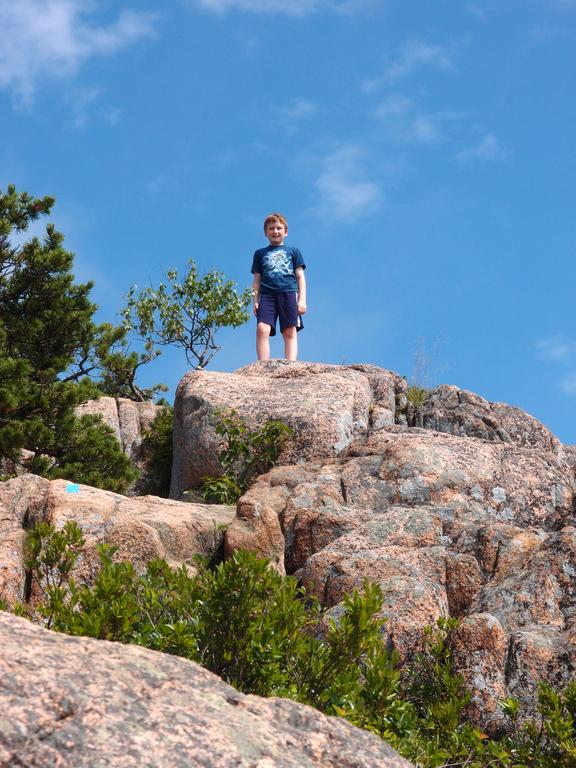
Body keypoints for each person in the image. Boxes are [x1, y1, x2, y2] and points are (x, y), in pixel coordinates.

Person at [251, 212, 307, 361]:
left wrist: (302, 300)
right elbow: (256, 280)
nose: (275, 231)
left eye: (278, 228)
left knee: (289, 330)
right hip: (267, 295)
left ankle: (291, 364)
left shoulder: (293, 251)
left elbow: (300, 277)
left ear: (285, 231)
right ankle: (263, 365)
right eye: (271, 228)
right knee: (262, 329)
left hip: (288, 292)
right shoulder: (259, 253)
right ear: (265, 232)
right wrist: (255, 300)